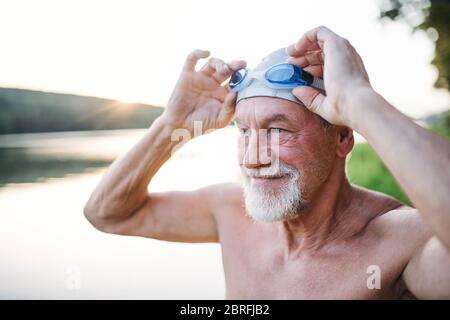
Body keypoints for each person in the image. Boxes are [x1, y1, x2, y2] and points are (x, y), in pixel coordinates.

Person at [84, 26, 450, 299]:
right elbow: (109, 214)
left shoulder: (402, 240)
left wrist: (359, 100)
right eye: (243, 132)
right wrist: (171, 126)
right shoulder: (229, 211)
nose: (253, 158)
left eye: (278, 130)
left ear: (342, 137)